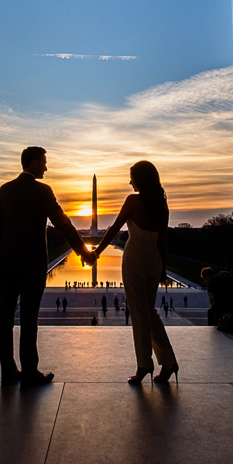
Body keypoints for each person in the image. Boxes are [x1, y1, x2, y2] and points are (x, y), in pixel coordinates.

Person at [0, 146, 96, 387]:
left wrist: (0, 262)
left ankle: (8, 371)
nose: (46, 167)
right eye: (43, 162)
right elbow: (62, 223)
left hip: (7, 264)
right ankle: (29, 371)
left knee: (5, 319)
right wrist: (84, 251)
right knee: (29, 319)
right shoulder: (42, 191)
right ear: (31, 164)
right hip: (32, 264)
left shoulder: (5, 190)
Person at [94, 161, 179, 384]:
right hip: (154, 260)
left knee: (139, 314)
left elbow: (114, 228)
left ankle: (144, 365)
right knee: (149, 312)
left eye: (131, 177)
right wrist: (164, 268)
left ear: (140, 179)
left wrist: (96, 253)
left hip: (135, 259)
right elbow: (163, 240)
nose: (129, 181)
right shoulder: (162, 205)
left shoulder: (133, 200)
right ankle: (168, 360)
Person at [201, 267, 233, 333]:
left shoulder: (212, 282)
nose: (205, 282)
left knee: (211, 312)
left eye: (205, 280)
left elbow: (213, 302)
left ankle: (215, 331)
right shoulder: (223, 273)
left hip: (230, 302)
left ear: (206, 277)